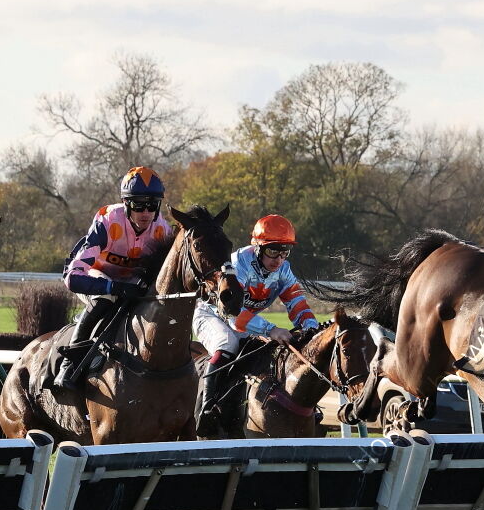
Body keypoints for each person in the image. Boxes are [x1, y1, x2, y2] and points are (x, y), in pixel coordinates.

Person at [192, 214, 320, 436]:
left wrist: (312, 331)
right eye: (272, 250)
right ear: (258, 246)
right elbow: (233, 315)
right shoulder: (237, 263)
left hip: (242, 320)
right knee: (227, 344)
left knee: (270, 351)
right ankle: (206, 408)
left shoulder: (283, 270)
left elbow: (298, 303)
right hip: (212, 315)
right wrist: (271, 329)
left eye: (284, 251)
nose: (278, 259)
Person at [52, 166, 174, 390]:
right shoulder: (108, 222)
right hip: (93, 274)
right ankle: (69, 363)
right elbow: (73, 278)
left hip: (129, 281)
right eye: (138, 205)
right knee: (106, 298)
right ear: (126, 203)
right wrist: (113, 286)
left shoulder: (163, 231)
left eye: (152, 205)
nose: (145, 212)